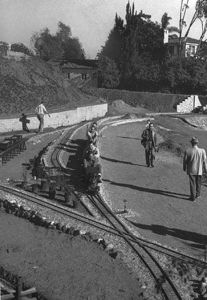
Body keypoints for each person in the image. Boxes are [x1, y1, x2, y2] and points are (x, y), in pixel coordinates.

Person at [183, 137, 207, 201]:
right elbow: (205, 161)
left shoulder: (187, 150)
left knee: (192, 183)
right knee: (198, 183)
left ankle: (192, 197)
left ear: (191, 143)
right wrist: (206, 169)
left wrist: (184, 167)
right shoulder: (202, 150)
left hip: (191, 170)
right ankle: (198, 195)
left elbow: (185, 160)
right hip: (199, 170)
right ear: (197, 143)